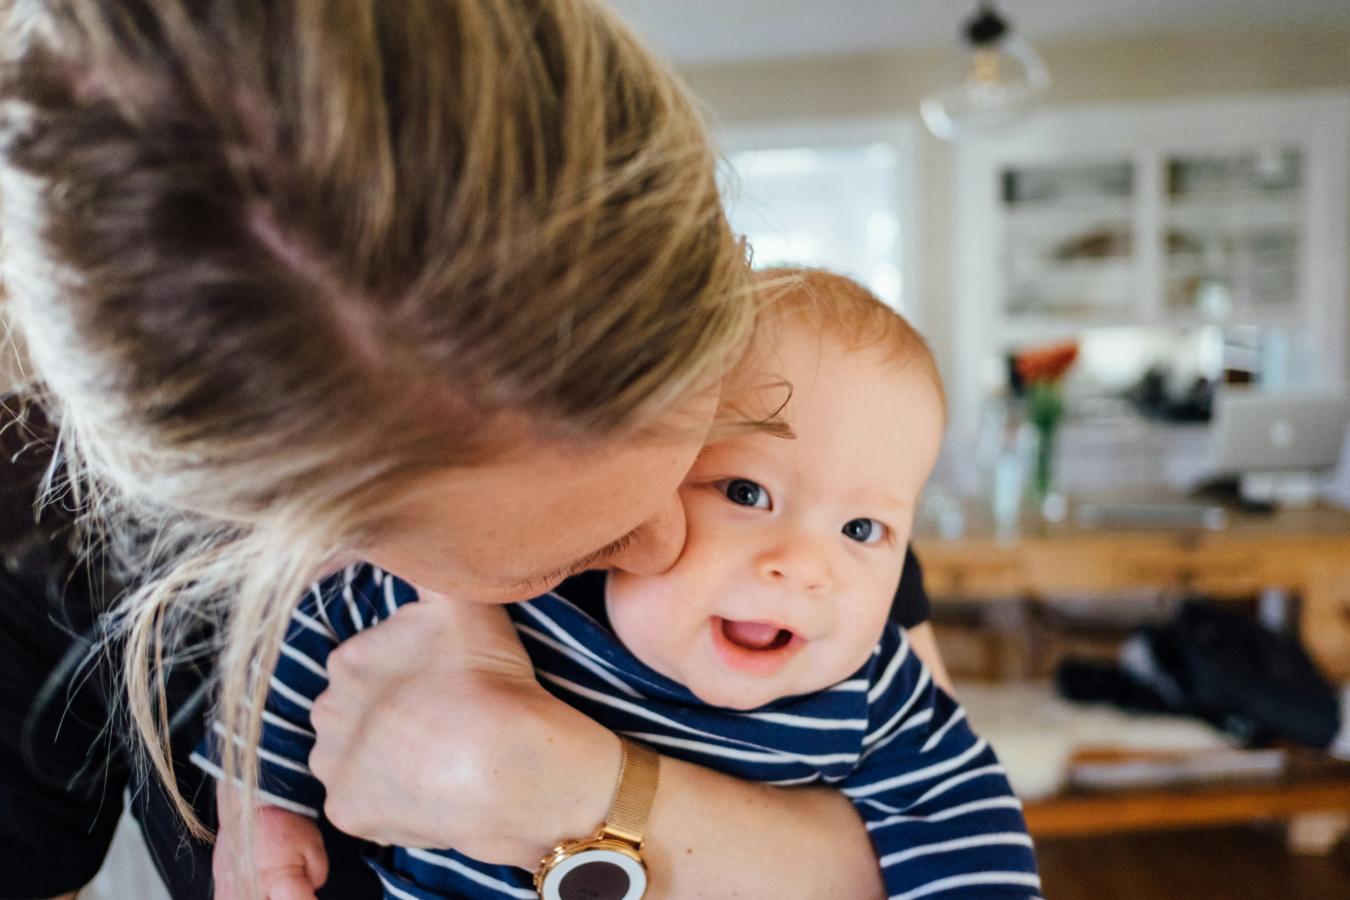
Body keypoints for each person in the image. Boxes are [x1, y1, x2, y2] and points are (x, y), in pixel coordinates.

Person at [0, 2, 952, 898]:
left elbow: (936, 827)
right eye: (577, 548)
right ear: (304, 538)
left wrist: (587, 795)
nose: (676, 539)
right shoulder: (39, 557)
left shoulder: (807, 470)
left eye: (711, 454)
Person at [201, 269, 1040, 899]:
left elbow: (968, 827)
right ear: (649, 471)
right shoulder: (522, 589)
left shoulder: (872, 686)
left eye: (864, 530)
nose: (805, 564)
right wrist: (261, 804)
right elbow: (316, 627)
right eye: (746, 494)